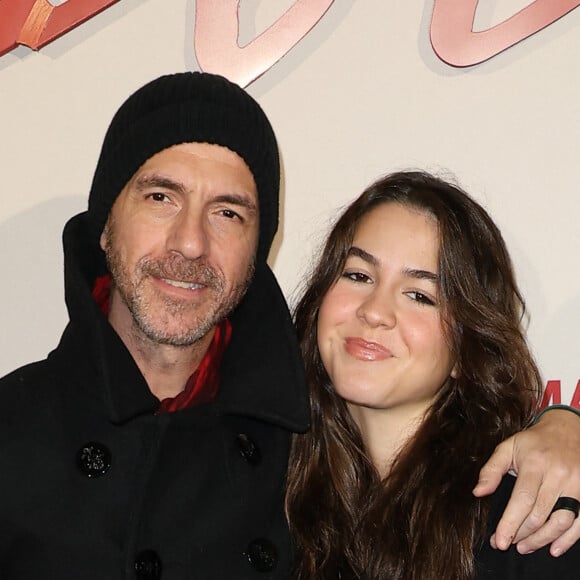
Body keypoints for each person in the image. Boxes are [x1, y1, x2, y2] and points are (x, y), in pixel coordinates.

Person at [0, 74, 577, 579]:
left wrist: (564, 426)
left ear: (258, 248)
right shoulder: (314, 466)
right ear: (105, 225)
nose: (191, 242)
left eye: (228, 212)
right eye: (160, 197)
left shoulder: (285, 444)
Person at [285, 170, 580, 579]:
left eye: (420, 296)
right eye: (358, 275)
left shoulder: (527, 525)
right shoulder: (266, 490)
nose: (373, 311)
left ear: (466, 347)